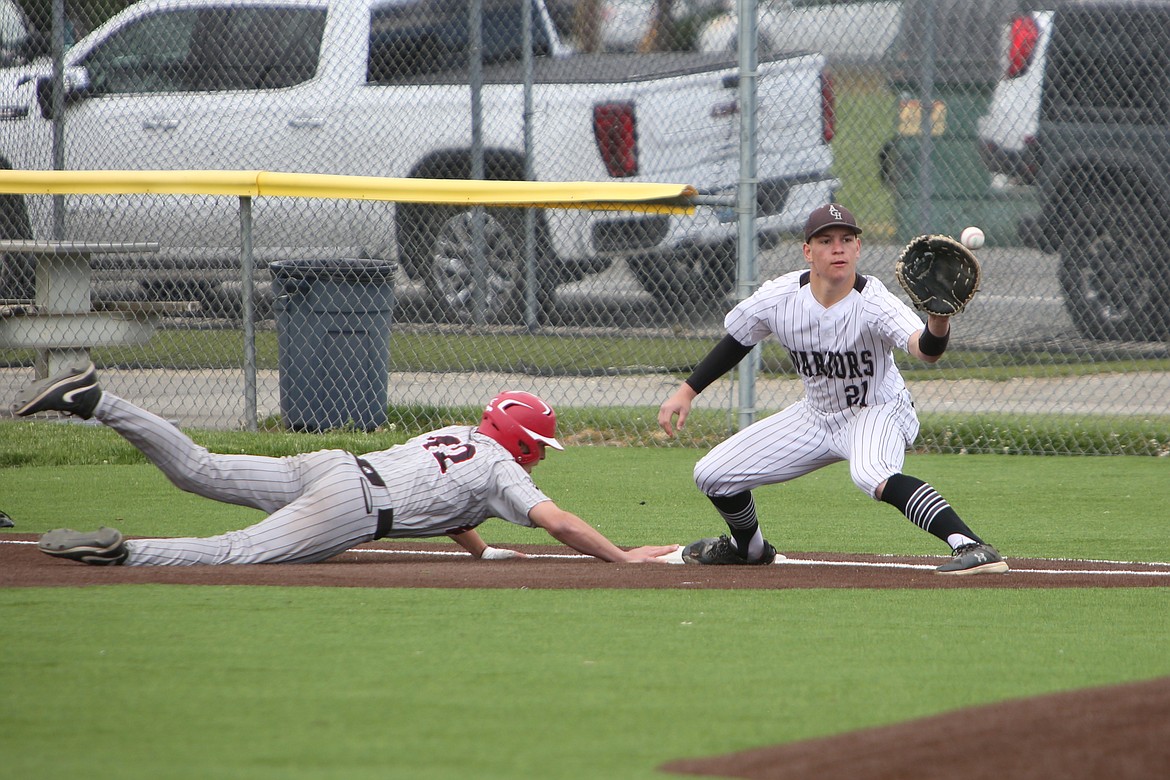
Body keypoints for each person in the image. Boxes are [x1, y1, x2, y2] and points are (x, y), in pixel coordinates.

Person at [16, 363, 678, 567]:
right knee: (235, 554)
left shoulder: (458, 433)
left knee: (199, 468)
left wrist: (478, 552)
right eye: (540, 445)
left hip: (331, 466)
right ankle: (123, 555)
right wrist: (623, 559)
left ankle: (101, 401)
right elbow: (557, 523)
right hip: (352, 508)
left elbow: (450, 502)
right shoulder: (504, 467)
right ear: (526, 441)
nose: (539, 455)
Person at [657, 203, 1008, 575]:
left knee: (871, 473)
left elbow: (925, 350)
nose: (838, 248)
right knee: (712, 474)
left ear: (858, 249)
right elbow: (738, 340)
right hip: (815, 415)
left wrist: (938, 321)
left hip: (877, 409)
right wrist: (687, 391)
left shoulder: (874, 301)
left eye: (846, 240)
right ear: (808, 251)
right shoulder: (780, 297)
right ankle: (750, 549)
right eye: (826, 241)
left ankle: (971, 545)